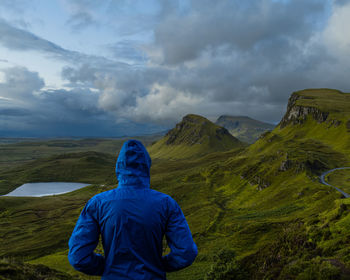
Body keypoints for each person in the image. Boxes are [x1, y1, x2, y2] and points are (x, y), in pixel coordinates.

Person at [68, 139, 198, 279]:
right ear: (146, 166)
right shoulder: (166, 203)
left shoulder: (97, 203)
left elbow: (78, 257)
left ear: (118, 166)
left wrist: (107, 267)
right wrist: (159, 265)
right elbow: (186, 253)